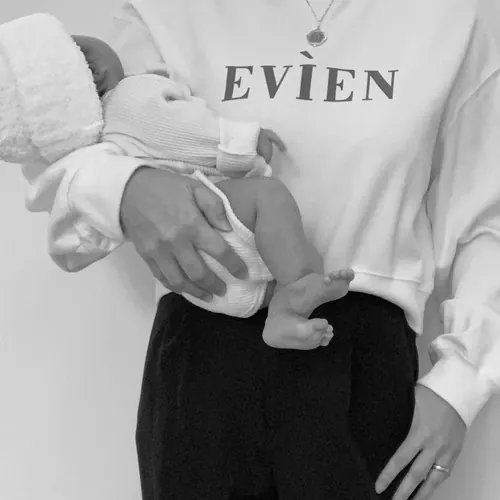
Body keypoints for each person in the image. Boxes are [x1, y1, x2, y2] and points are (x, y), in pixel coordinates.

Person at [12, 0, 500, 499]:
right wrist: (126, 187)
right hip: (204, 347)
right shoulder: (164, 11)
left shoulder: (446, 22)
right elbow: (68, 140)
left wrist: (462, 383)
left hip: (360, 358)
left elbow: (486, 215)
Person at [0, 13, 354, 350]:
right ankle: (291, 296)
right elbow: (186, 133)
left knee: (276, 246)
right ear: (90, 70)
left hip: (199, 281)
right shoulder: (130, 98)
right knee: (269, 197)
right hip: (213, 221)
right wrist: (242, 143)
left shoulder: (90, 146)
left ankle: (284, 307)